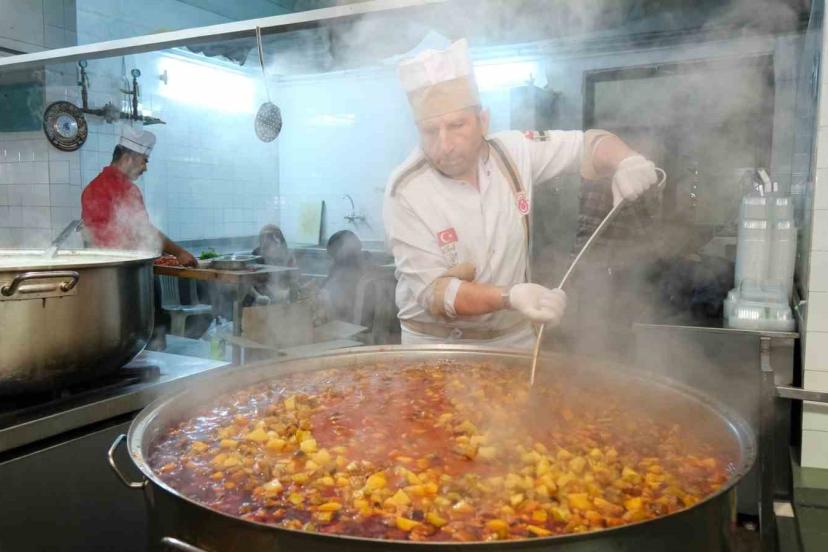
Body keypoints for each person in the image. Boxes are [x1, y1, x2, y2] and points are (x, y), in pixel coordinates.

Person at [383, 39, 660, 348]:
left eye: (457, 125)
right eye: (430, 131)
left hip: (513, 338)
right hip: (437, 345)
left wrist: (627, 160)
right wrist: (510, 296)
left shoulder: (514, 152)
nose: (444, 144)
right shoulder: (405, 189)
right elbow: (435, 294)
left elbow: (587, 144)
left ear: (483, 121)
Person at [81, 126, 196, 266]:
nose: (145, 168)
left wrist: (165, 255)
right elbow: (140, 231)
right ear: (127, 159)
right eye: (144, 161)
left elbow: (140, 232)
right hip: (118, 269)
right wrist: (179, 253)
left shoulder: (104, 187)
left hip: (115, 266)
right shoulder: (111, 189)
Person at [319, 230, 371, 323]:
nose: (332, 260)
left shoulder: (357, 272)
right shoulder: (339, 268)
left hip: (355, 323)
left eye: (333, 255)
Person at [246, 224, 296, 306]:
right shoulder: (256, 255)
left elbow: (293, 279)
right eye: (264, 242)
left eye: (274, 242)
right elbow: (247, 282)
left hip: (283, 302)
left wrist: (287, 292)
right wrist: (257, 296)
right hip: (260, 301)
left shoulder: (287, 255)